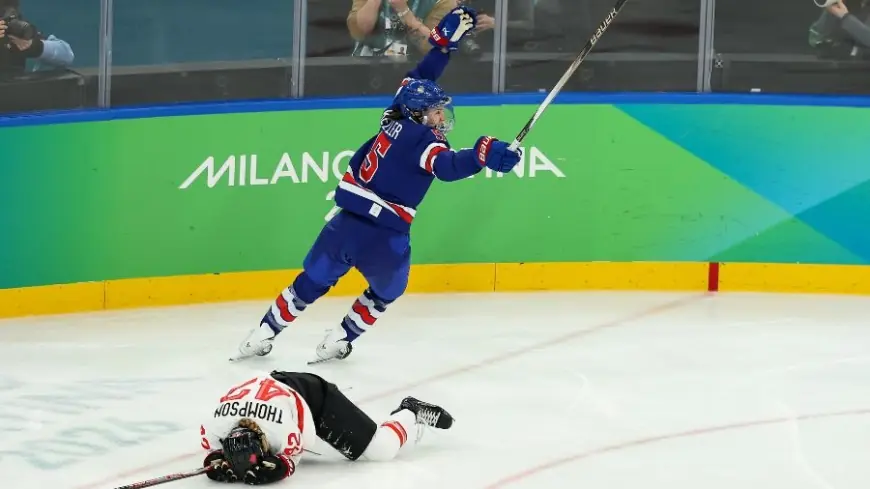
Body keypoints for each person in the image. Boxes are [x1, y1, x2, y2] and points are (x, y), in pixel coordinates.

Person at [230, 5, 521, 364]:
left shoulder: (396, 113)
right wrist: (482, 153)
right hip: (385, 238)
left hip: (345, 223)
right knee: (386, 292)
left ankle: (261, 334)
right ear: (421, 115)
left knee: (310, 281)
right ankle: (340, 337)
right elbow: (446, 167)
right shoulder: (424, 142)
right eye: (434, 111)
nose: (440, 115)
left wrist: (442, 48)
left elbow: (419, 77)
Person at [200, 370, 454, 484]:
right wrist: (220, 459)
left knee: (380, 450)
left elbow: (296, 451)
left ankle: (410, 410)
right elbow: (214, 453)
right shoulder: (214, 426)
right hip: (275, 391)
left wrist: (283, 465)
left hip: (312, 396)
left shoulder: (281, 427)